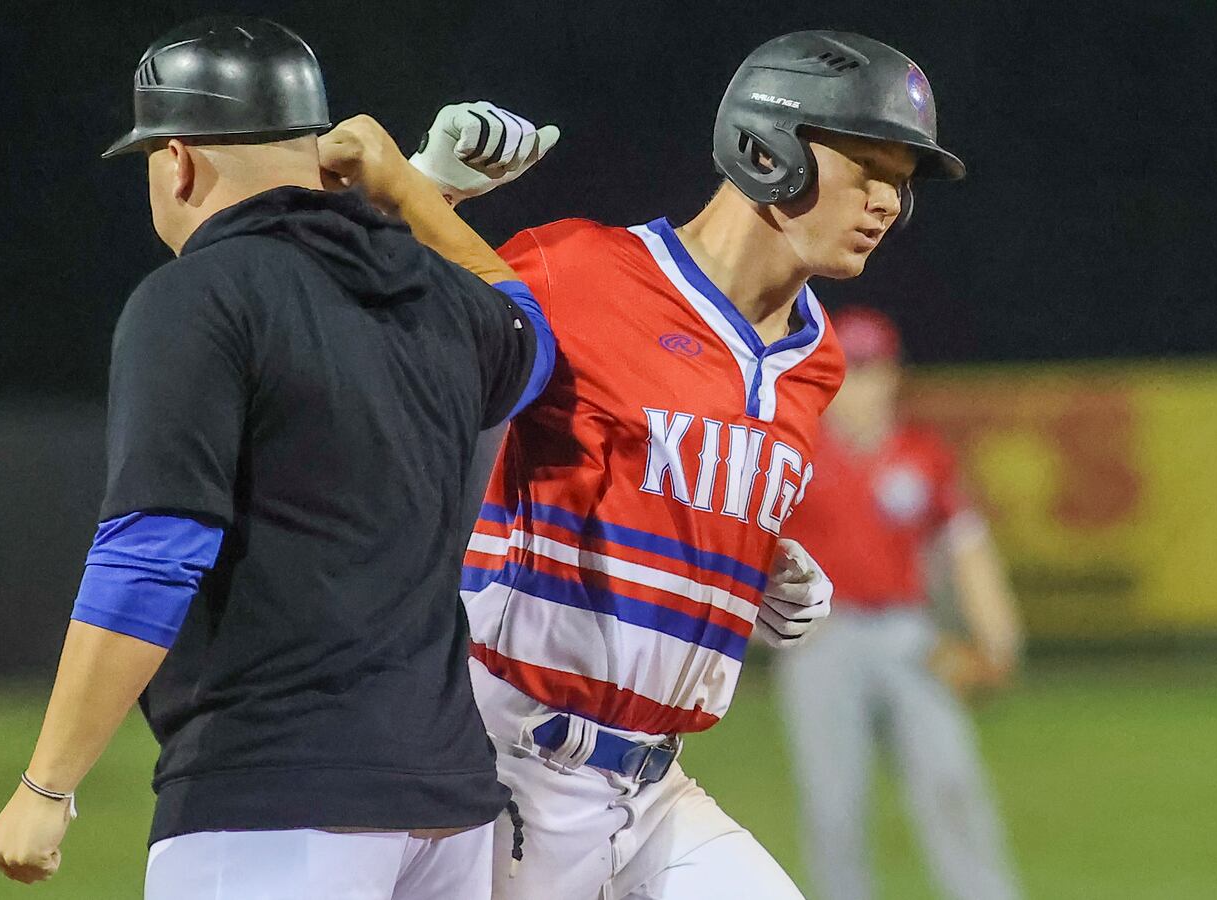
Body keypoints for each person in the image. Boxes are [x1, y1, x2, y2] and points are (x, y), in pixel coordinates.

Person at [0, 16, 558, 900]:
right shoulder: (430, 297)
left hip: (273, 800)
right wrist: (413, 190)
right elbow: (532, 340)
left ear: (178, 160)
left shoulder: (196, 297)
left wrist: (46, 785)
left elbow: (152, 554)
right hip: (448, 806)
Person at [408, 30, 966, 900]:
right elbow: (353, 342)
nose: (889, 201)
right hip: (500, 763)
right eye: (869, 166)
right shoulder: (580, 271)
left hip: (655, 787)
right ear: (766, 149)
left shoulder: (815, 361)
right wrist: (425, 189)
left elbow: (673, 493)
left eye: (902, 181)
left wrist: (756, 572)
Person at [777, 306, 1024, 900]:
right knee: (833, 803)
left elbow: (966, 545)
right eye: (850, 369)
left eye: (873, 368)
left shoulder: (922, 453)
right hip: (822, 643)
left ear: (893, 375)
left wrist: (997, 636)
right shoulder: (796, 450)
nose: (862, 384)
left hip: (909, 637)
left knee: (952, 784)